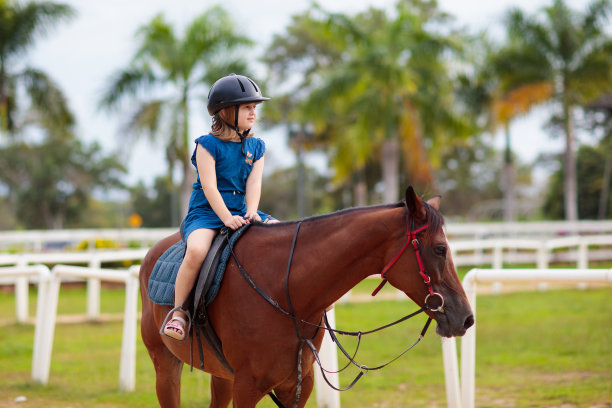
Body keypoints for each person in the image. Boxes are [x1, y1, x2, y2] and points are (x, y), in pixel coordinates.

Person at [163, 73, 278, 341]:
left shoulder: (257, 146)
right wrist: (226, 218)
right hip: (207, 214)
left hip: (241, 210)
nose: (253, 112)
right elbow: (210, 187)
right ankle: (179, 312)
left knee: (282, 234)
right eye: (248, 107)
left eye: (255, 108)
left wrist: (251, 212)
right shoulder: (207, 145)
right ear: (227, 111)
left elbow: (254, 184)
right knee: (196, 252)